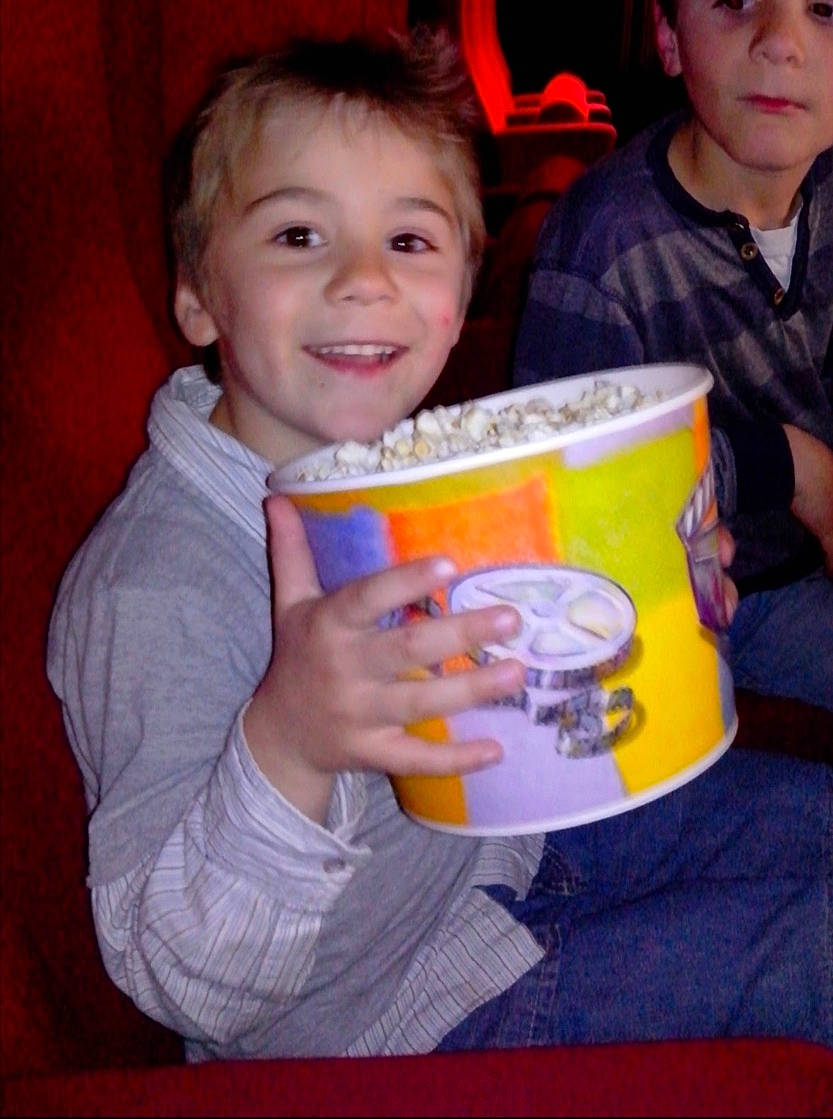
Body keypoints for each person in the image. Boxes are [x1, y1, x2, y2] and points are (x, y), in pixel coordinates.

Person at [47, 28, 831, 1063]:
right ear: (196, 292)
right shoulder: (155, 586)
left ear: (461, 297)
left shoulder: (408, 472)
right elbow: (184, 981)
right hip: (394, 1020)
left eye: (409, 241)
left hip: (506, 849)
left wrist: (645, 587)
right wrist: (290, 745)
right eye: (298, 234)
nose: (363, 279)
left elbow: (500, 667)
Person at [513, 0, 833, 712]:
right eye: (734, 2)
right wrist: (786, 464)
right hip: (709, 600)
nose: (781, 42)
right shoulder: (599, 249)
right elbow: (562, 491)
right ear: (667, 37)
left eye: (823, 9)